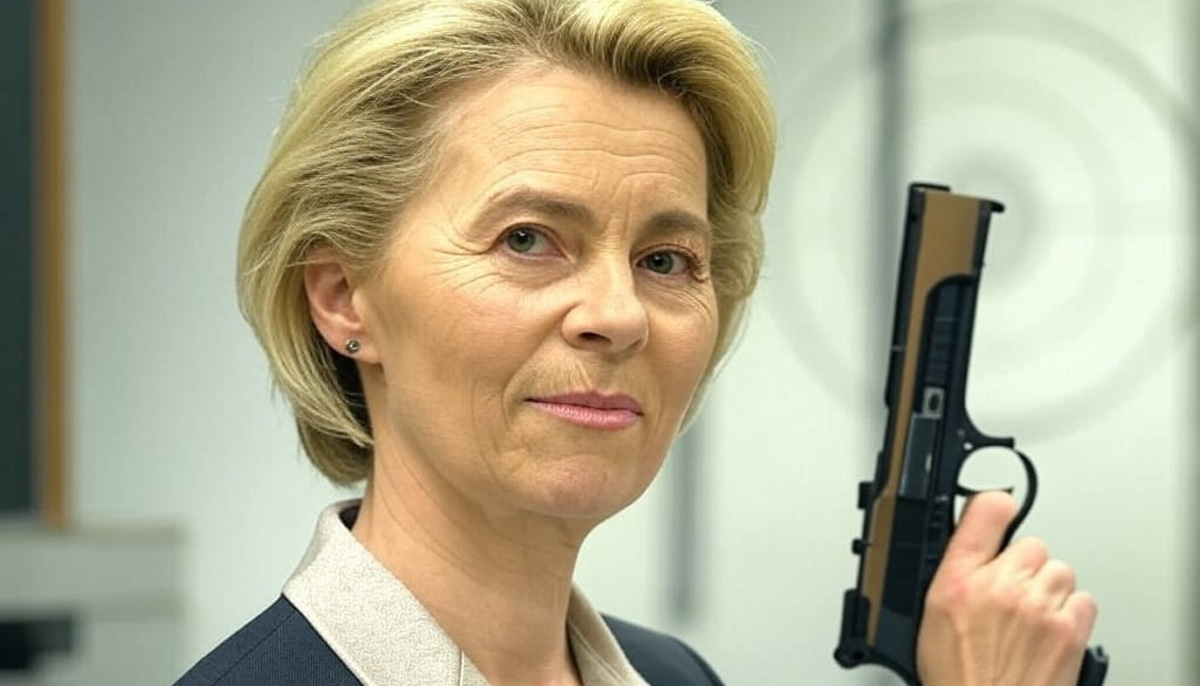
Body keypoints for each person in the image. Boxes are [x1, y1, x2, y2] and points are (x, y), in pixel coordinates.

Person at [173, 0, 1098, 684]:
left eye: (665, 259)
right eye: (527, 240)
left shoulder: (677, 676)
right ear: (344, 300)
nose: (618, 314)